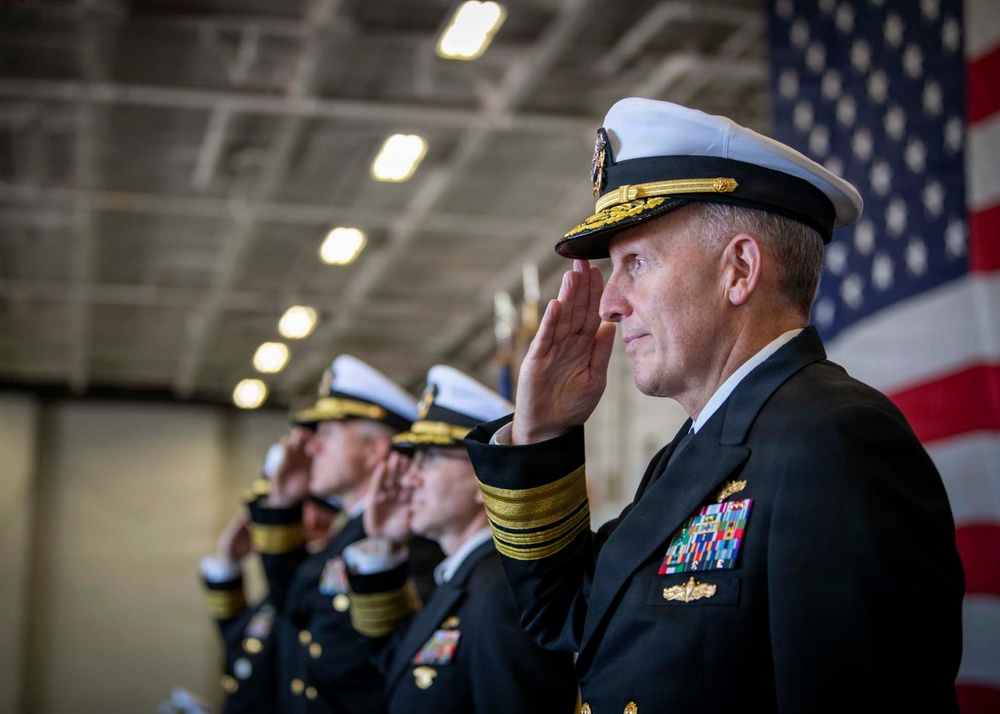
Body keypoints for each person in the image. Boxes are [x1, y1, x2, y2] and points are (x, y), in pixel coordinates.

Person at [464, 98, 964, 713]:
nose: (609, 303)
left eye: (636, 263)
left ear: (740, 270)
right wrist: (541, 434)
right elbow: (564, 612)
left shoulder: (834, 443)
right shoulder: (698, 448)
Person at [341, 365, 578, 713]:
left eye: (430, 459)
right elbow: (395, 667)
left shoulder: (500, 594)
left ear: (484, 477)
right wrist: (383, 547)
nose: (410, 479)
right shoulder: (466, 578)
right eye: (415, 459)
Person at [247, 355, 442, 713]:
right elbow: (293, 606)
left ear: (375, 449)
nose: (312, 447)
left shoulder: (407, 537)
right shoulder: (348, 531)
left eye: (328, 434)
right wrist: (283, 503)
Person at [200, 439, 341, 713]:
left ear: (310, 515)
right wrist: (227, 564)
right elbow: (242, 649)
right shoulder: (293, 583)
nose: (259, 520)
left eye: (274, 507)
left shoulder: (317, 587)